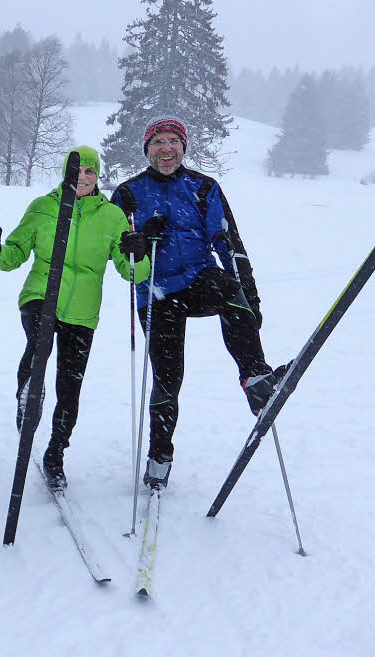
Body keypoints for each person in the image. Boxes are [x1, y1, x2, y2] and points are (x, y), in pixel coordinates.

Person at [111, 117, 288, 489]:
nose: (166, 148)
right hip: (157, 291)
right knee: (168, 377)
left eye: (173, 140)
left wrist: (249, 298)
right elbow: (119, 258)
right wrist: (139, 242)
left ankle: (255, 377)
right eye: (157, 141)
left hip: (198, 279)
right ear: (147, 149)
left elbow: (230, 244)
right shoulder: (128, 193)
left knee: (229, 289)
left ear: (183, 146)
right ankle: (160, 455)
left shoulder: (204, 187)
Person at [0, 146, 151, 490]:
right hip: (41, 294)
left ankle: (56, 452)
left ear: (97, 176)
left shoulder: (112, 216)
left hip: (83, 310)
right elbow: (14, 253)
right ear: (65, 173)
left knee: (70, 386)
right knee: (39, 343)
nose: (83, 178)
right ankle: (29, 394)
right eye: (76, 171)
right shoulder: (43, 207)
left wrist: (138, 251)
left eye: (90, 172)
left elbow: (131, 273)